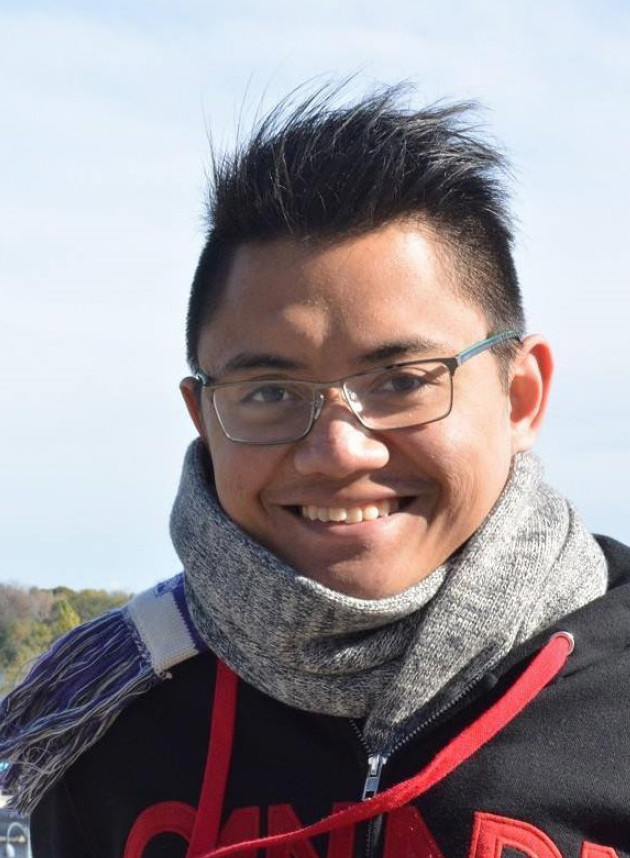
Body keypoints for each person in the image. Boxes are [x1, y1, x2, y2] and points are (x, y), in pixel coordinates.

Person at [2, 85, 630, 858]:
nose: (338, 451)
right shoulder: (108, 712)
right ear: (203, 418)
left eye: (402, 381)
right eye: (269, 392)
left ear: (521, 396)